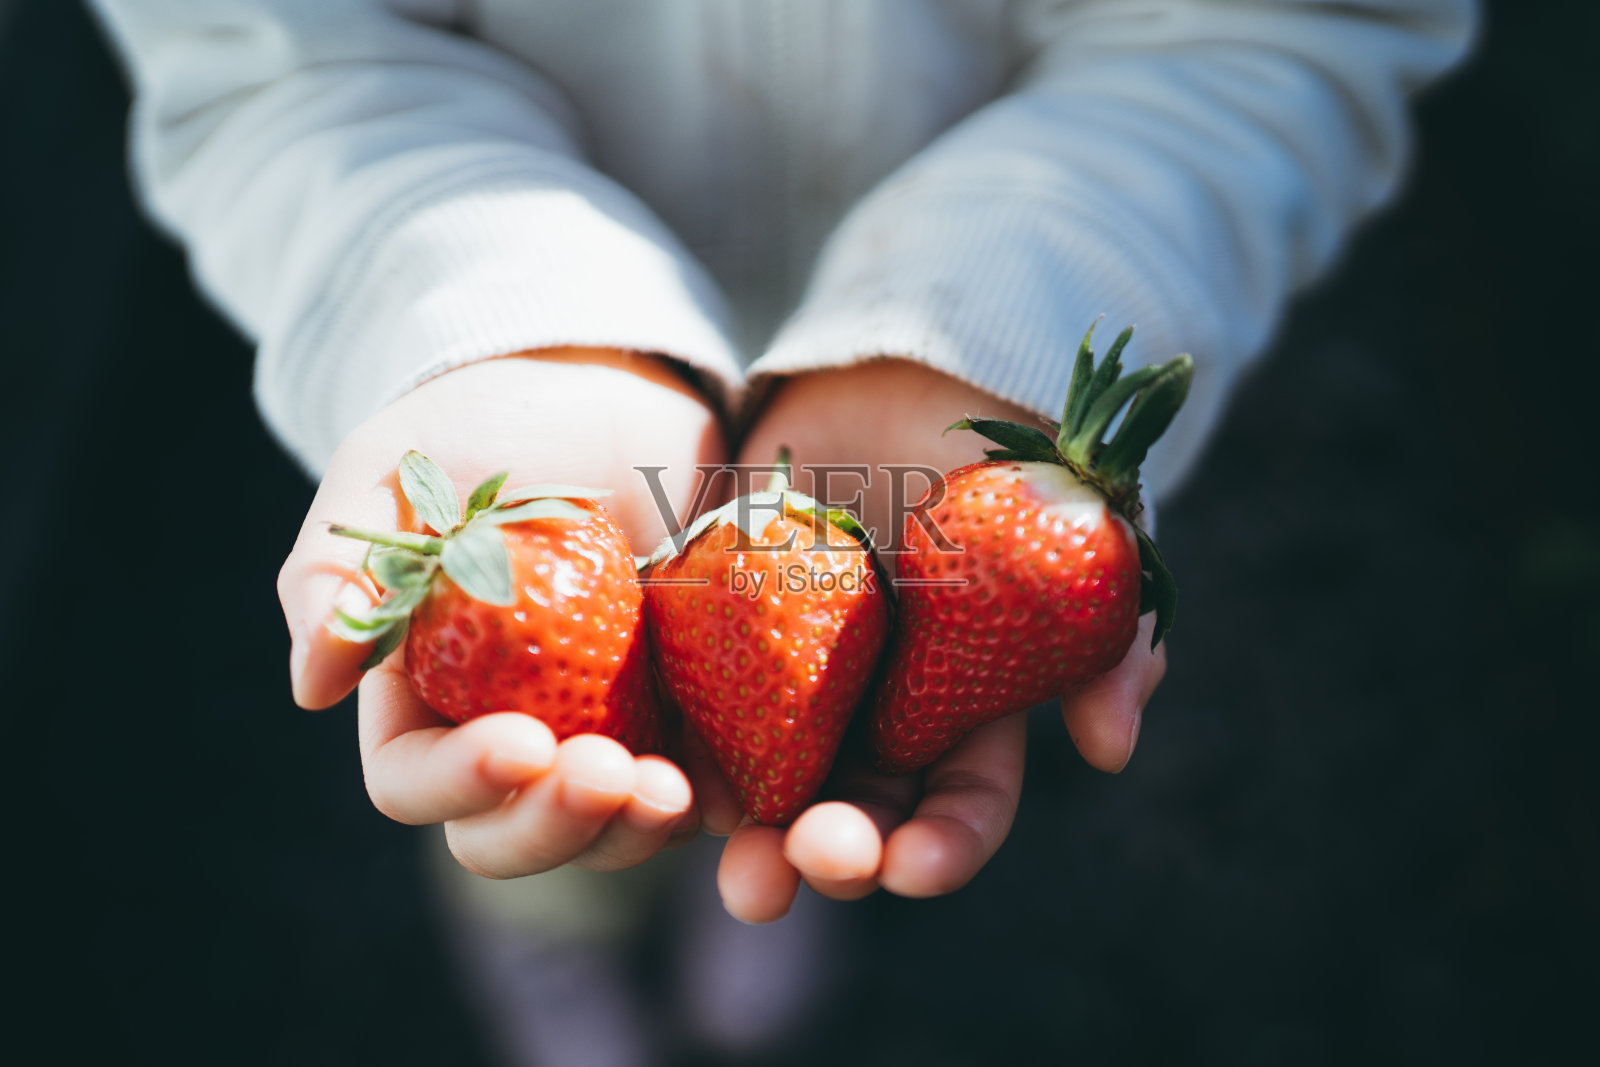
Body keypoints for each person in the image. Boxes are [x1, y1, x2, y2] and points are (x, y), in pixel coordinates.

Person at [89, 0, 1477, 1058]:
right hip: (542, 323)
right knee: (547, 788)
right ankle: (548, 935)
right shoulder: (516, 558)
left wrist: (1003, 325)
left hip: (961, 322)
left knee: (763, 766)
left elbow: (1278, 28)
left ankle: (741, 876)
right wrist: (482, 322)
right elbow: (269, 49)